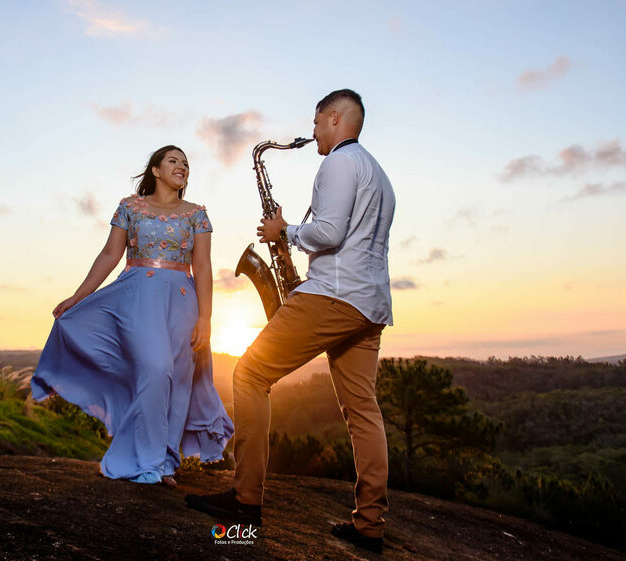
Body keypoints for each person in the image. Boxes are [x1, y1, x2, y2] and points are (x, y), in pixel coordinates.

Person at [186, 89, 395, 553]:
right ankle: (371, 526)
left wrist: (285, 232)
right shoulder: (379, 174)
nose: (314, 132)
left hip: (333, 296)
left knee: (250, 373)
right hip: (371, 305)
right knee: (363, 410)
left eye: (318, 122)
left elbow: (330, 233)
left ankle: (244, 504)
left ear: (335, 118)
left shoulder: (339, 163)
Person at [30, 145, 233, 487]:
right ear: (155, 170)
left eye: (186, 163)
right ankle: (144, 460)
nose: (182, 166)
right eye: (173, 161)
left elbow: (203, 266)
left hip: (183, 302)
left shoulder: (197, 214)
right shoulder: (130, 207)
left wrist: (206, 318)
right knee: (155, 369)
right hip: (136, 297)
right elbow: (110, 253)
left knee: (179, 380)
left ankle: (165, 462)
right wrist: (79, 296)